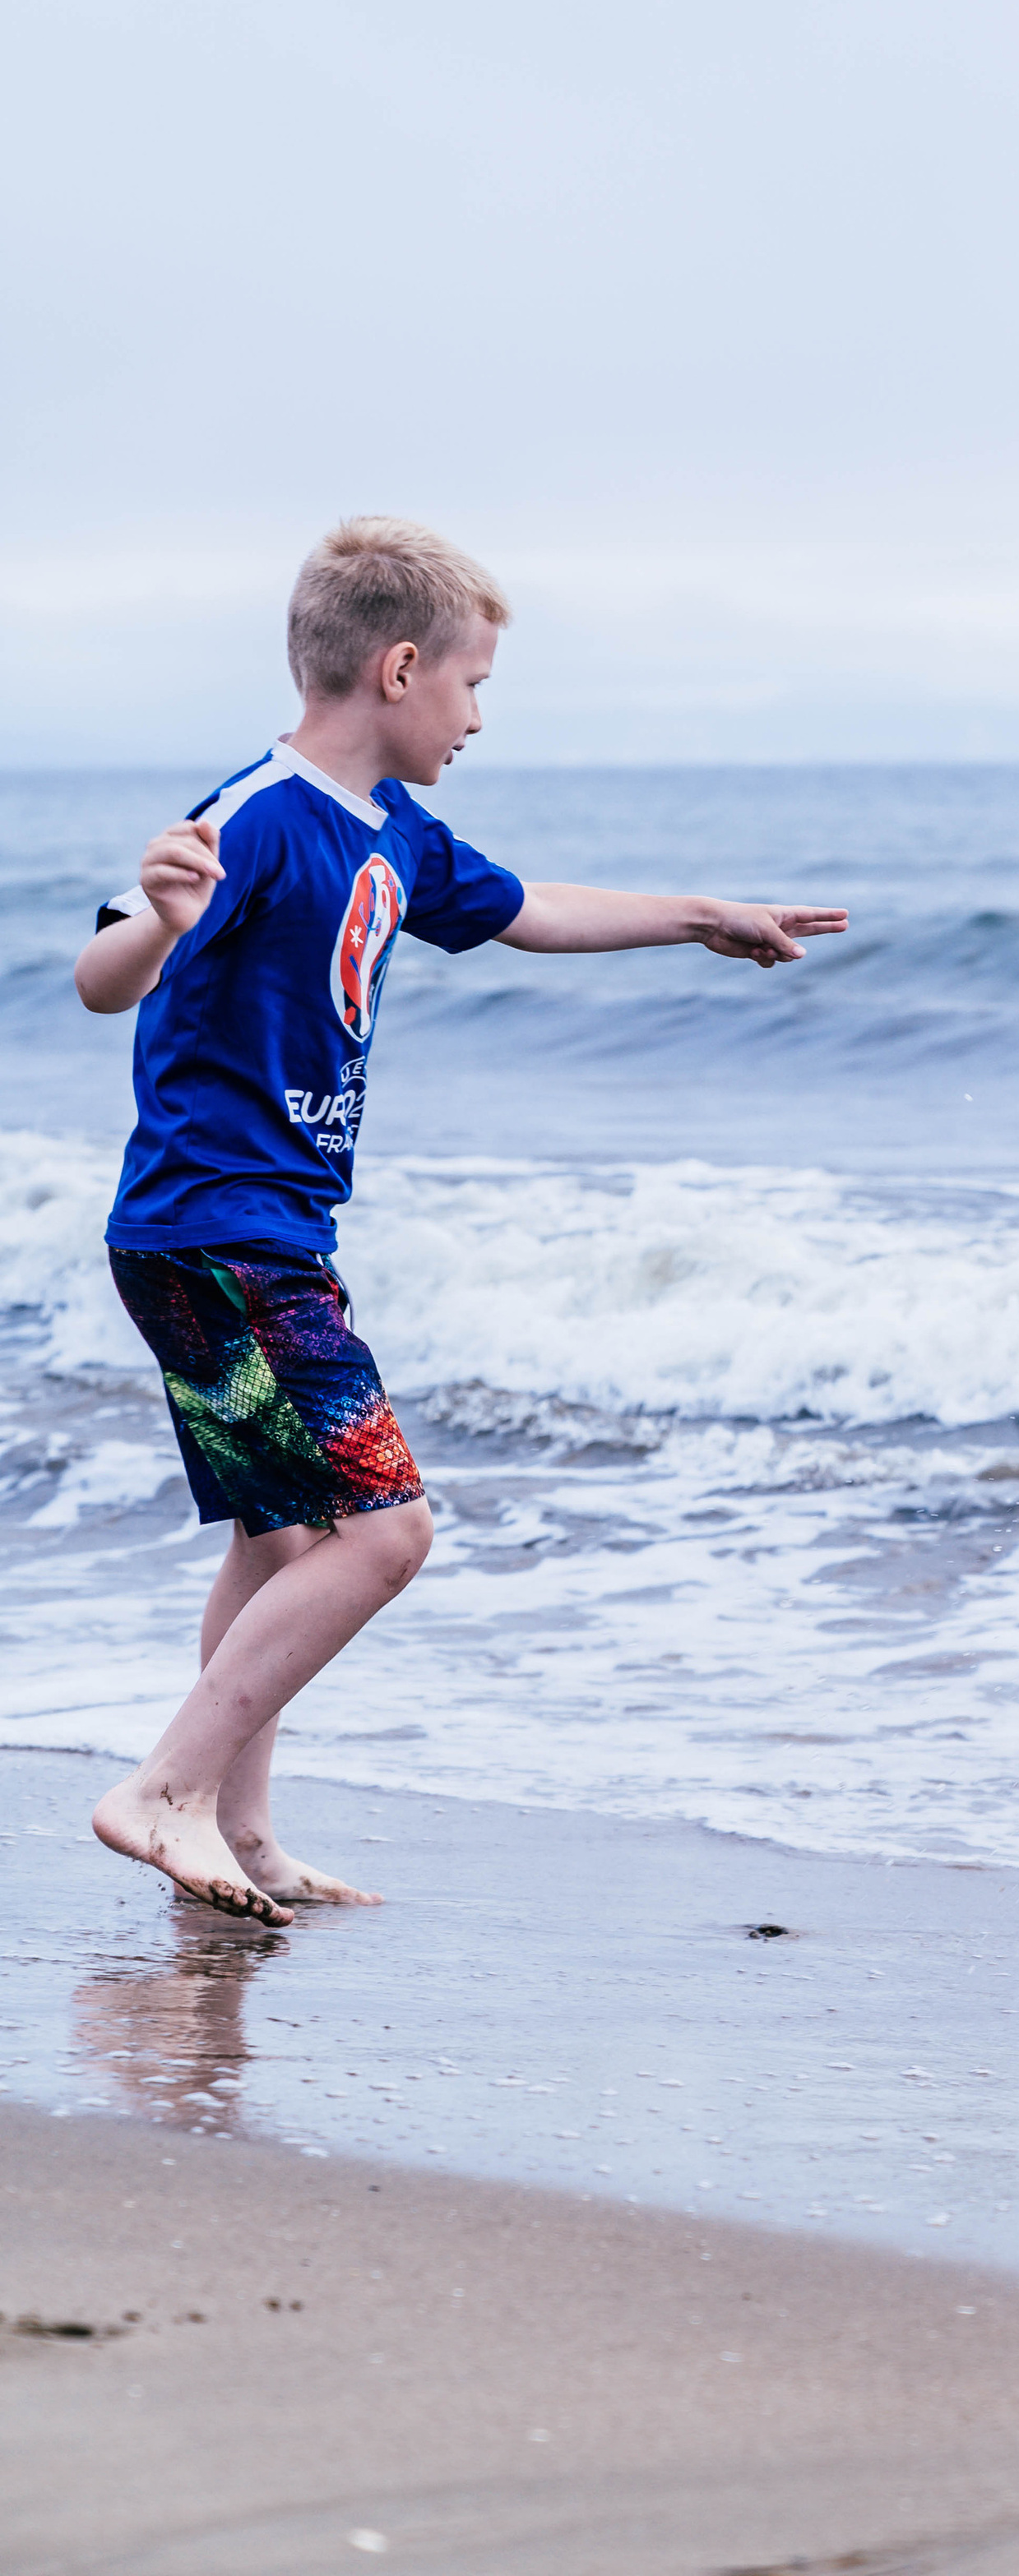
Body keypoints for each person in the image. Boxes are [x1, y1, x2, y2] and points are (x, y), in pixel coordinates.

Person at [76, 516, 846, 1928]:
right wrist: (163, 919)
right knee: (388, 1529)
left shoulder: (395, 832)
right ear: (400, 667)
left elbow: (532, 912)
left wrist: (697, 915)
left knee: (282, 1539)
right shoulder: (255, 811)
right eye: (475, 685)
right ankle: (162, 1790)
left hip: (240, 1232)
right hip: (219, 1230)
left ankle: (235, 1834)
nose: (480, 716)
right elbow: (102, 973)